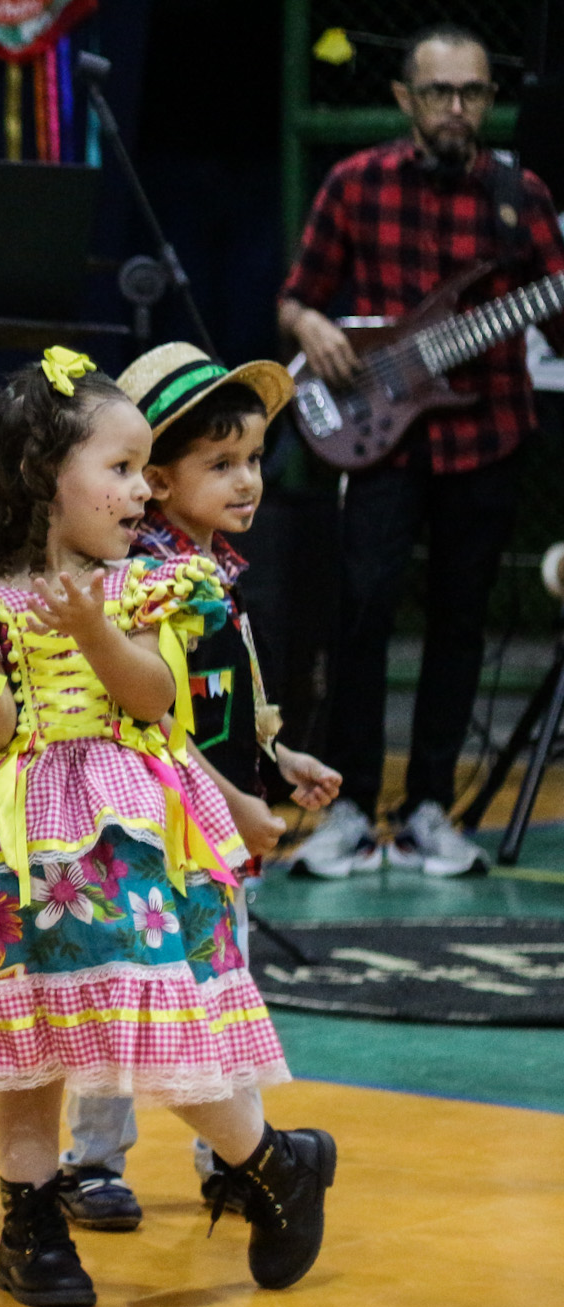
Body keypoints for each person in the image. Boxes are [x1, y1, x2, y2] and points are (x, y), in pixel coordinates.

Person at [0, 348, 338, 1307]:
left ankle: (268, 1161)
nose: (140, 489)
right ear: (42, 475)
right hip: (10, 840)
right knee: (22, 1028)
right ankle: (30, 1220)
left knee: (144, 1011)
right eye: (120, 469)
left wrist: (92, 630)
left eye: (142, 468)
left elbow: (155, 697)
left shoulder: (145, 584)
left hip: (119, 830)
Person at [58, 344, 345, 1232]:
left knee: (224, 989)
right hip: (150, 828)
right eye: (220, 463)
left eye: (253, 458)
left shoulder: (215, 567)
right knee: (128, 989)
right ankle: (91, 1162)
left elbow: (225, 691)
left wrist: (278, 754)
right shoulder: (140, 580)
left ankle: (235, 1158)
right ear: (155, 478)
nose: (248, 479)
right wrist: (235, 802)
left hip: (214, 831)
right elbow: (152, 719)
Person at [282, 22, 564, 878]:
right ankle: (350, 808)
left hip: (489, 432)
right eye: (439, 91)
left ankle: (430, 811)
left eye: (472, 92)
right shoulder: (355, 183)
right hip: (382, 437)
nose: (456, 107)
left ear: (490, 99)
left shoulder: (522, 196)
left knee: (460, 619)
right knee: (363, 611)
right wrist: (313, 326)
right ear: (406, 97)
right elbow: (296, 299)